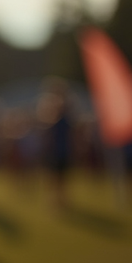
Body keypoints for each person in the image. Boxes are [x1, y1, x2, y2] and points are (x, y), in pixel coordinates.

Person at [39, 79, 73, 210]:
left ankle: (60, 200)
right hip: (56, 151)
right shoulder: (53, 114)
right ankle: (57, 200)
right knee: (55, 177)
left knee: (59, 177)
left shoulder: (63, 116)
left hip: (60, 150)